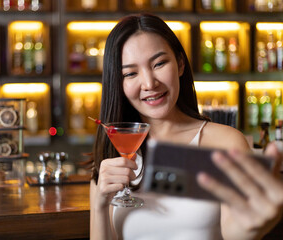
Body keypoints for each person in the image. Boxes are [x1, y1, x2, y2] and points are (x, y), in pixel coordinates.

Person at [89, 13, 283, 240]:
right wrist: (100, 203)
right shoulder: (111, 155)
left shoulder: (224, 143)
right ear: (118, 83)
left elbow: (235, 231)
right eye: (131, 73)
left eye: (159, 63)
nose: (150, 83)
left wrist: (250, 228)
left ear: (180, 64)